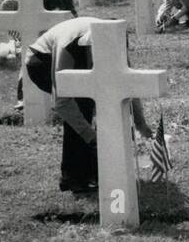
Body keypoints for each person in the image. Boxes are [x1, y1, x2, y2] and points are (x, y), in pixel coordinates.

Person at [24, 17, 153, 193]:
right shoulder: (69, 47)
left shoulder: (116, 41)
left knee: (105, 101)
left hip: (78, 56)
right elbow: (62, 102)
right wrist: (92, 137)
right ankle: (74, 178)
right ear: (91, 47)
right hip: (42, 60)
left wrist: (140, 123)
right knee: (79, 107)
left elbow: (128, 86)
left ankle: (96, 170)